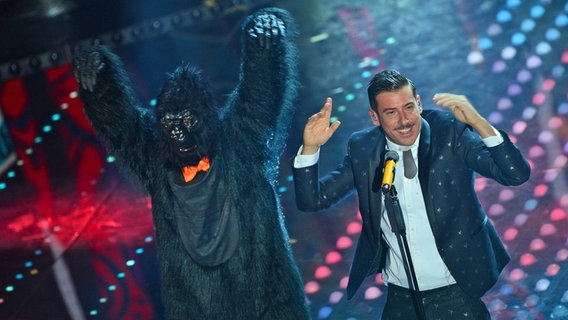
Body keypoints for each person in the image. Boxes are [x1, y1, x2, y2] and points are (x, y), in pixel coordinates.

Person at [73, 7, 311, 319]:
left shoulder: (239, 144)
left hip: (268, 301)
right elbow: (121, 126)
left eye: (186, 119)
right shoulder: (156, 159)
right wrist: (99, 76)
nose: (177, 130)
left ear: (204, 119)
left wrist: (264, 33)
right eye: (169, 121)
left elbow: (261, 94)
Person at [292, 69, 530, 319]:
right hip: (401, 297)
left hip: (457, 292)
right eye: (391, 113)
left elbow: (516, 174)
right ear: (375, 117)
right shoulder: (364, 148)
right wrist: (310, 147)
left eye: (408, 107)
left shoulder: (448, 131)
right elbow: (313, 200)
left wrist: (478, 123)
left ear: (419, 103)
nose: (404, 120)